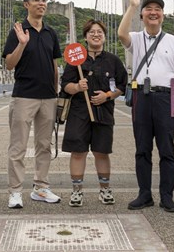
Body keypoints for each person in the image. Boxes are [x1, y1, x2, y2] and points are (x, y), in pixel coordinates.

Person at [118, 0, 174, 213]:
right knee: (142, 148)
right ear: (142, 15)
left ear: (163, 16)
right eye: (148, 9)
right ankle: (144, 194)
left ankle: (167, 196)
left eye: (157, 9)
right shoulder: (137, 39)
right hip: (141, 97)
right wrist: (132, 6)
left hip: (166, 96)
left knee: (167, 149)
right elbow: (121, 34)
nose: (153, 12)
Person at [4, 0, 62, 208]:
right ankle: (15, 191)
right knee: (18, 147)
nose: (42, 4)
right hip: (24, 96)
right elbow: (9, 64)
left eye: (44, 0)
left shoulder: (50, 33)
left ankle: (41, 188)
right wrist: (21, 44)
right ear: (27, 4)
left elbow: (54, 65)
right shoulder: (18, 30)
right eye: (37, 0)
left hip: (48, 97)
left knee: (44, 145)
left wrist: (56, 94)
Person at [61, 19, 127, 207]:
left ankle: (105, 190)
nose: (96, 35)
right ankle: (77, 192)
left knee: (101, 152)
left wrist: (107, 95)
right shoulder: (76, 60)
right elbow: (65, 85)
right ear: (85, 37)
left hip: (104, 112)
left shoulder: (113, 60)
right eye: (92, 32)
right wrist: (77, 86)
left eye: (99, 32)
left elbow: (122, 85)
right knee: (78, 152)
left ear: (104, 36)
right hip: (79, 112)